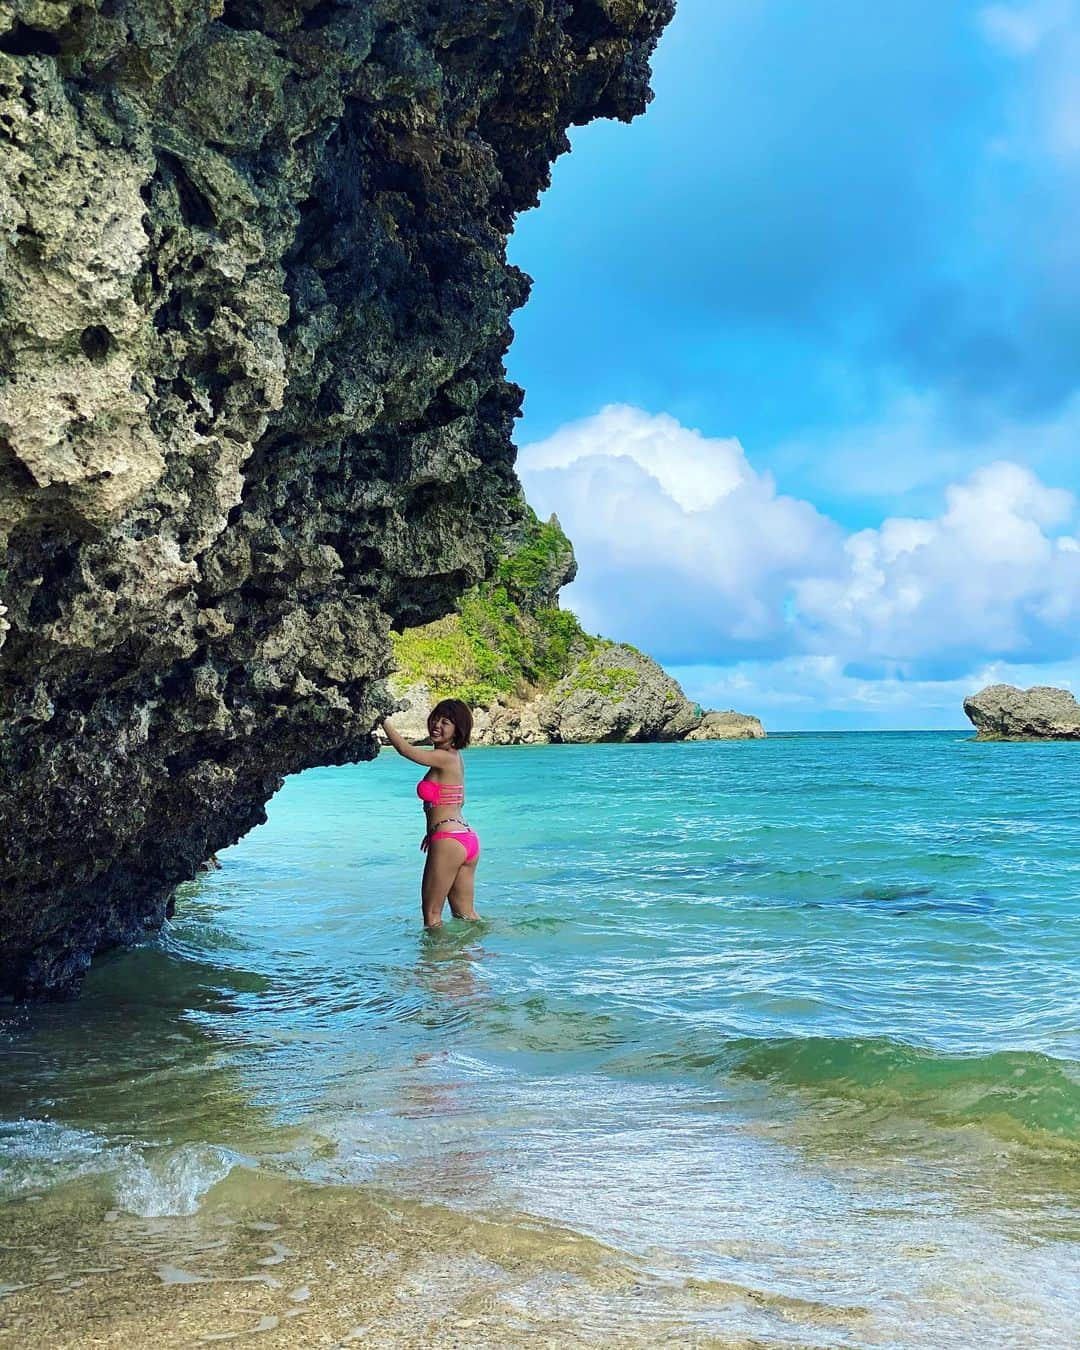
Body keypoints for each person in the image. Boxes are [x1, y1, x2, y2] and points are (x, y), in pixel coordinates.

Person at [381, 699, 481, 928]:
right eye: (436, 718)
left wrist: (382, 719)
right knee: (466, 915)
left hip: (448, 841)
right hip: (465, 838)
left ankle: (431, 964)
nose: (437, 725)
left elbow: (405, 750)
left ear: (458, 730)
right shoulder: (454, 759)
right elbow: (459, 800)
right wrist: (435, 828)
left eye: (446, 722)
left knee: (432, 916)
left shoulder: (444, 758)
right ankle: (473, 959)